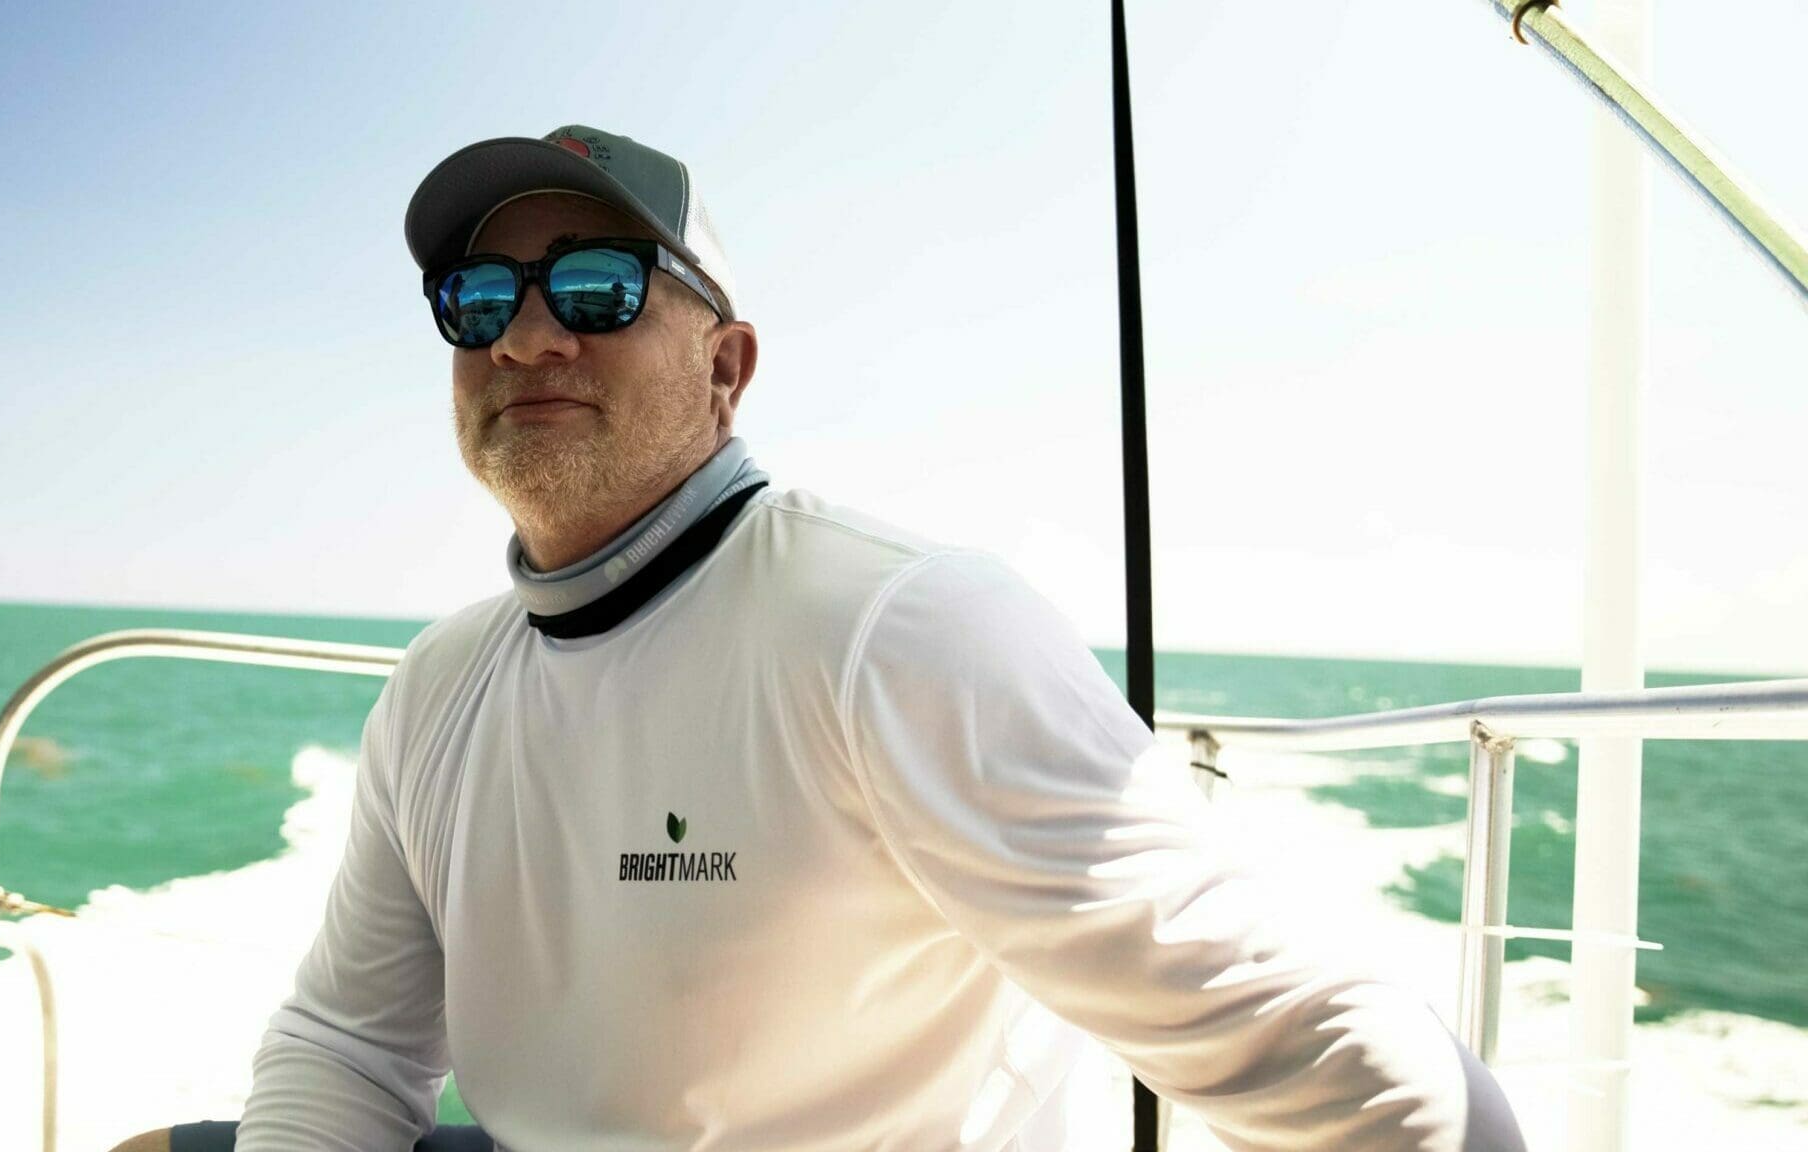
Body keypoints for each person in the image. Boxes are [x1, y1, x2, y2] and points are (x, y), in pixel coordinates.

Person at [118, 125, 1526, 1152]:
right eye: (480, 302)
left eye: (597, 289)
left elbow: (1325, 1054)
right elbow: (348, 1040)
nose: (527, 338)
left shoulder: (898, 629)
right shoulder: (437, 687)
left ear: (726, 367)